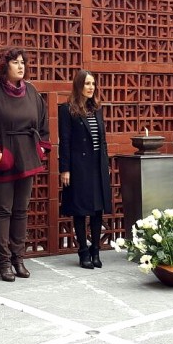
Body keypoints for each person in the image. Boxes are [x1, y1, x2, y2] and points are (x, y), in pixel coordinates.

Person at [0, 48, 51, 282]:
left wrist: (42, 146)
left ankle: (18, 257)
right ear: (4, 66)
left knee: (21, 210)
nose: (20, 66)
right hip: (3, 157)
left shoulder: (32, 91)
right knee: (3, 210)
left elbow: (43, 119)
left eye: (22, 62)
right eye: (15, 62)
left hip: (26, 154)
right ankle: (3, 261)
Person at [59, 70, 112, 269]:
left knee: (97, 210)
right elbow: (64, 141)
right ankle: (83, 252)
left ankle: (95, 250)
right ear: (79, 85)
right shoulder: (67, 109)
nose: (91, 87)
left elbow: (103, 140)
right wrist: (65, 169)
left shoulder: (97, 108)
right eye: (87, 83)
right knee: (80, 210)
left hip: (97, 165)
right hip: (78, 167)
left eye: (93, 84)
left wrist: (105, 164)